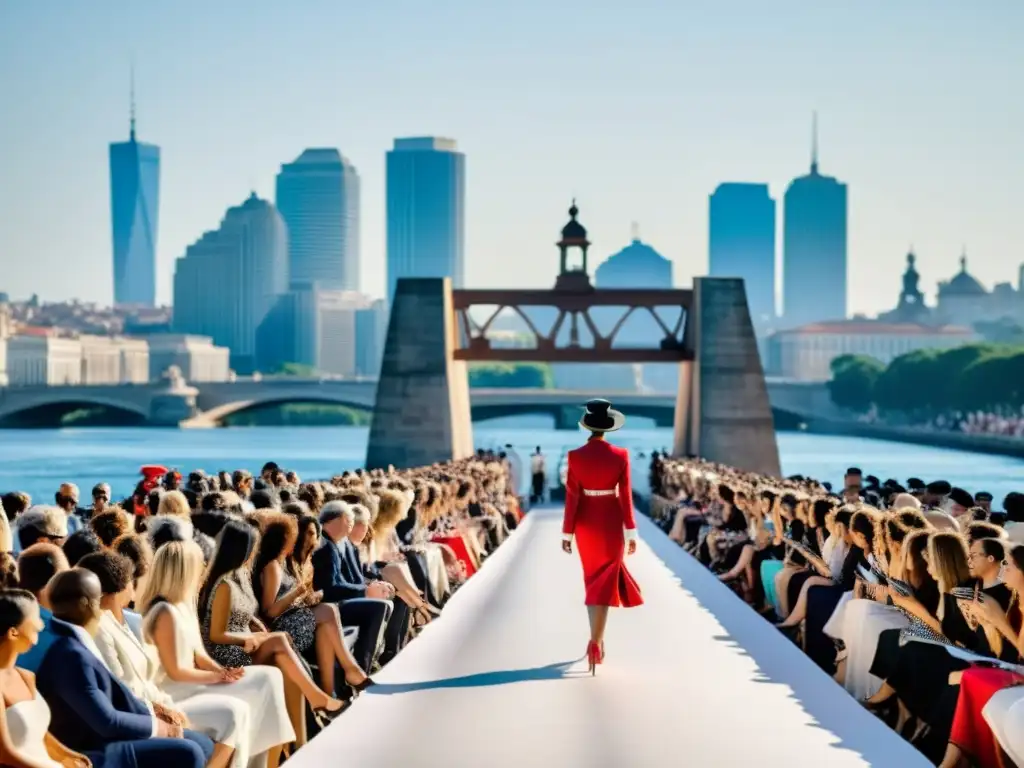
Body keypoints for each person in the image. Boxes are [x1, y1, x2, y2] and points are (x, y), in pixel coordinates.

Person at [35, 569, 214, 768]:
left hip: (105, 735)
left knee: (203, 744)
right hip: (91, 749)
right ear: (89, 604)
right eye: (99, 599)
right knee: (189, 752)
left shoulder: (73, 639)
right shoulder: (70, 654)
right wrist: (160, 728)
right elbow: (107, 722)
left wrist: (153, 712)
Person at [561, 399, 643, 674]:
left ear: (587, 426)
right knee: (605, 583)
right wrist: (631, 532)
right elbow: (626, 497)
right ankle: (596, 642)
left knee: (592, 582)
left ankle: (595, 640)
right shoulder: (621, 455)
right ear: (607, 429)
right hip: (610, 520)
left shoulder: (574, 456)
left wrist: (567, 532)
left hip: (585, 522)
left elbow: (572, 497)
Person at [0, 588, 92, 768]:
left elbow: (38, 733)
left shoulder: (27, 676)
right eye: (33, 618)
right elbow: (4, 754)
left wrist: (70, 755)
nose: (40, 624)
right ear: (13, 632)